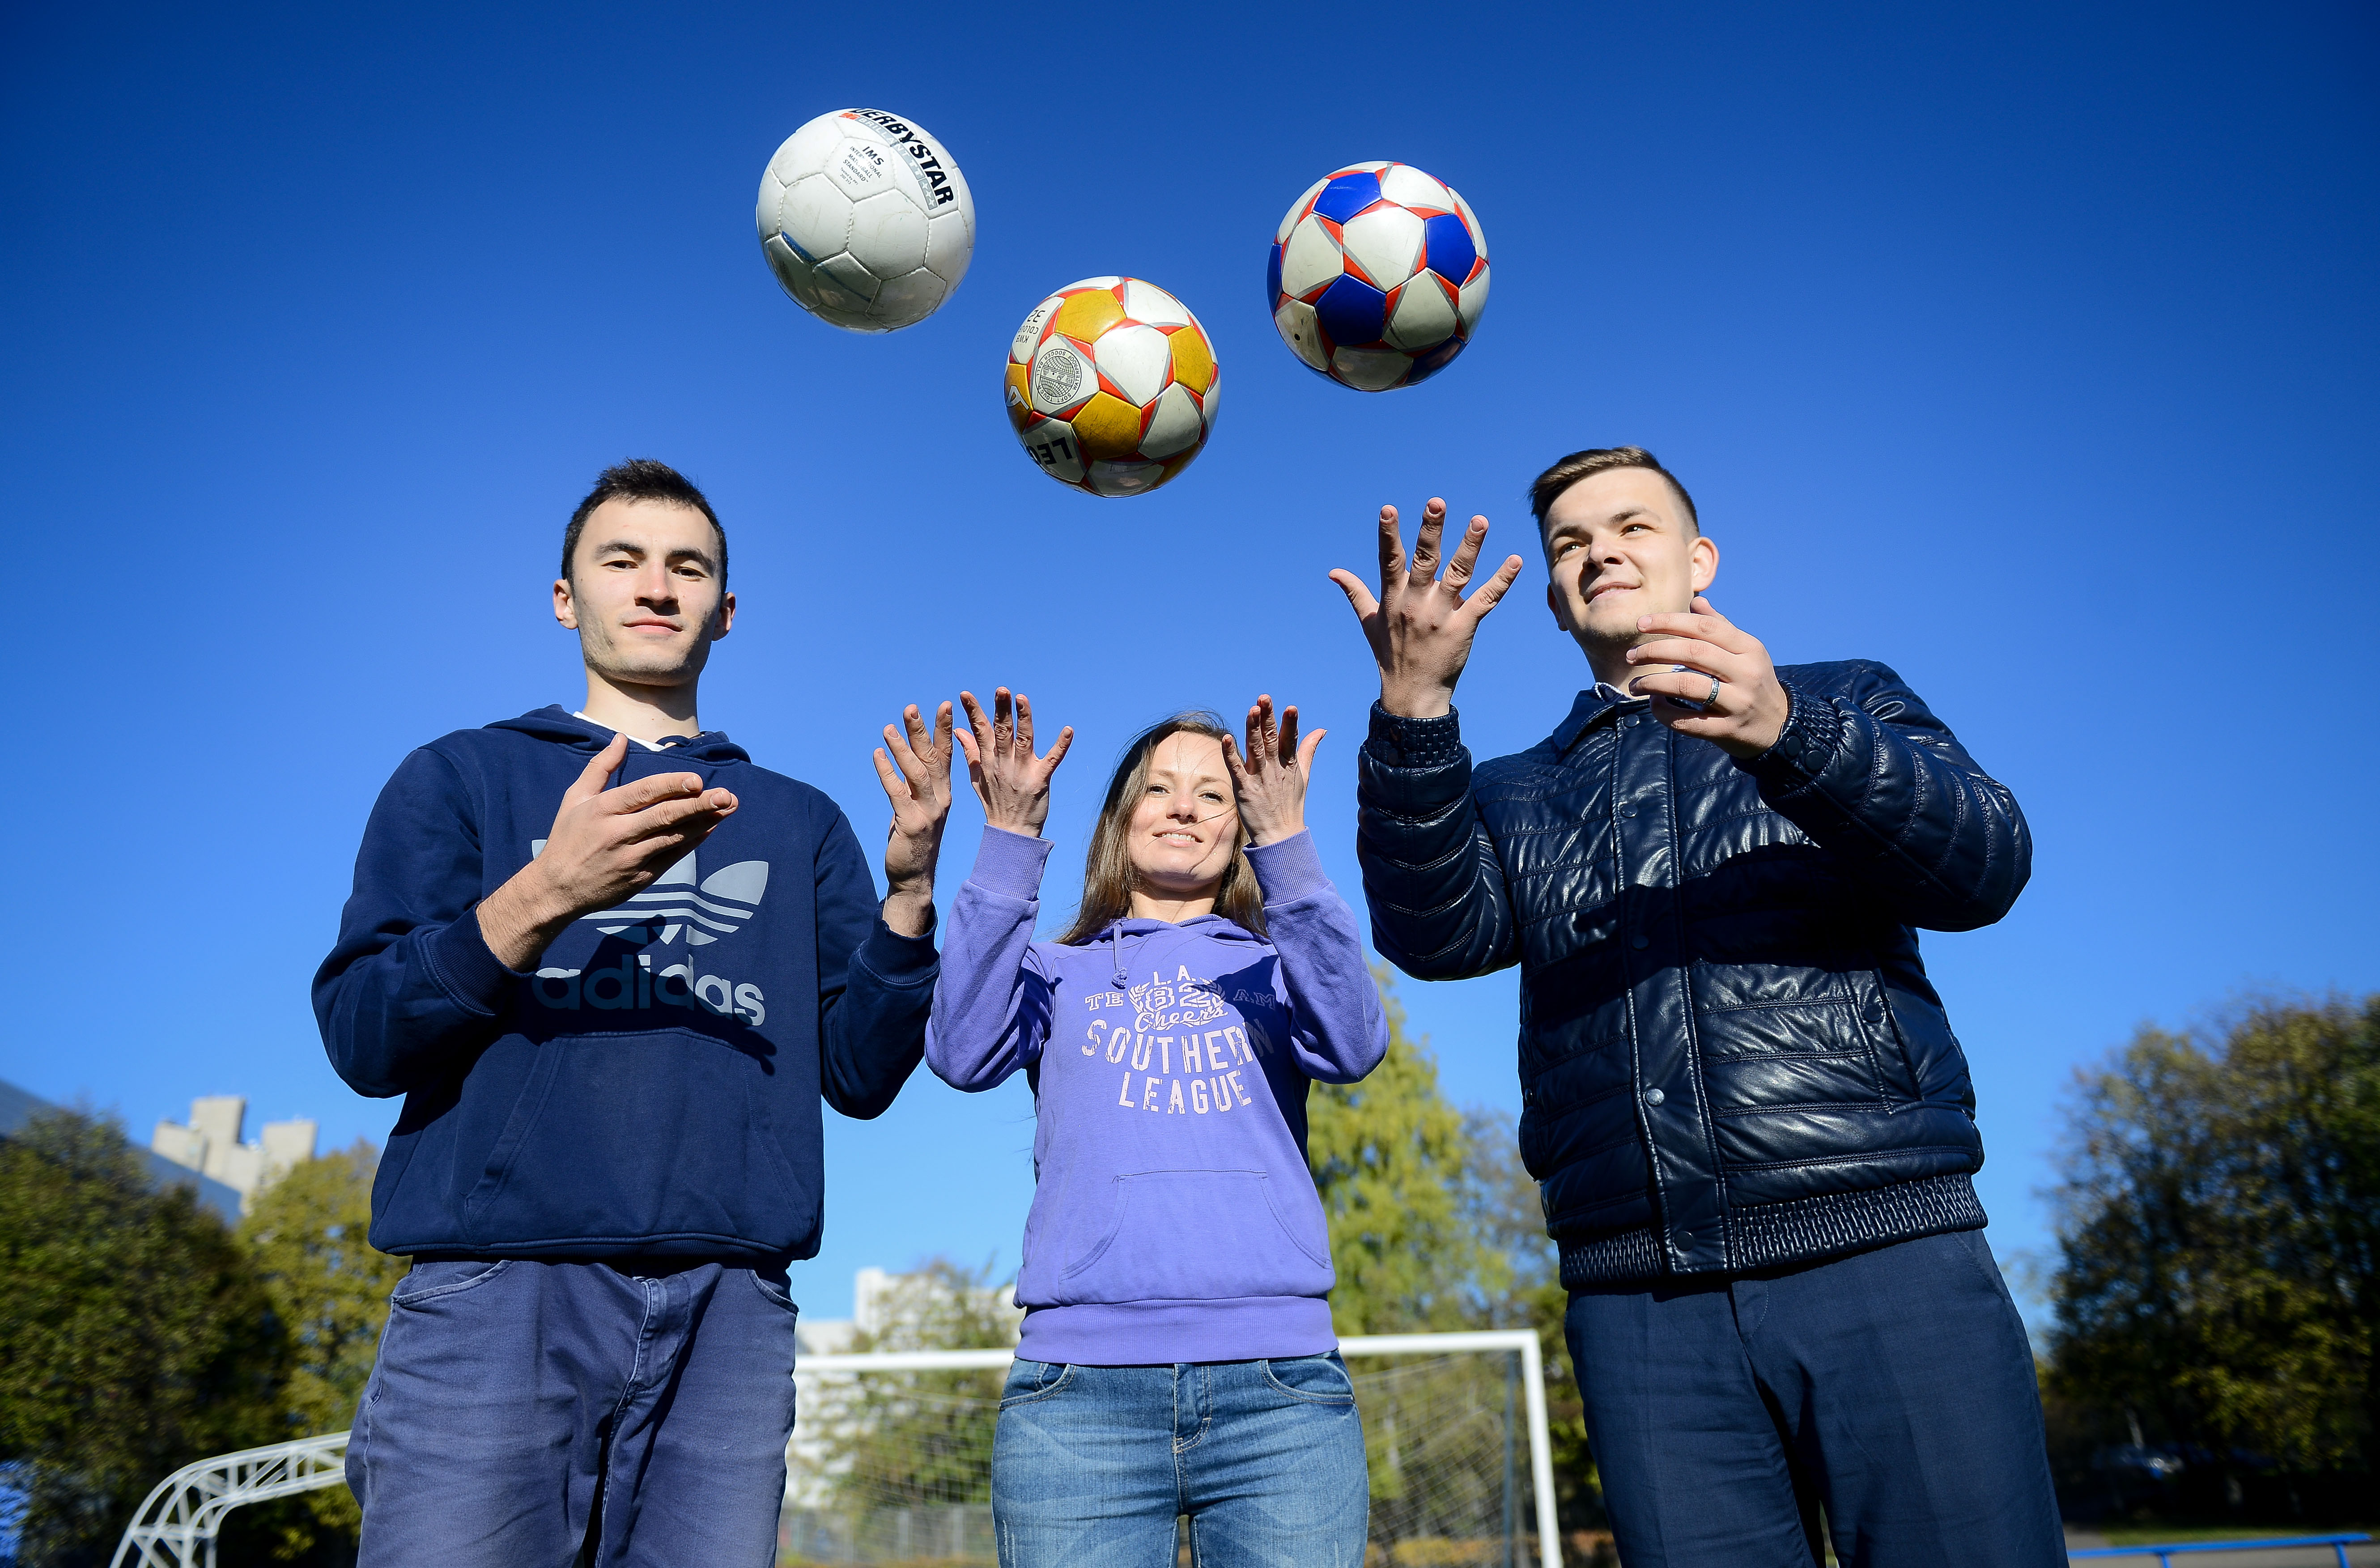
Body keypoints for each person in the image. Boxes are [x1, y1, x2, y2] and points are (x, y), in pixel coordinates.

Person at [1333, 447, 2062, 1566]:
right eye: (1570, 543)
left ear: (1699, 559)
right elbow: (1435, 938)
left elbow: (1984, 867)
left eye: (1630, 526)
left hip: (1886, 1257)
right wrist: (1415, 708)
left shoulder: (1841, 698)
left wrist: (1790, 732)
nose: (1599, 551)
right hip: (1639, 1302)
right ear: (1550, 598)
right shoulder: (1514, 787)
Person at [314, 458, 955, 1567]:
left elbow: (859, 1074)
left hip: (731, 1312)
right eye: (623, 560)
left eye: (686, 567)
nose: (655, 586)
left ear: (725, 611)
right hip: (495, 1295)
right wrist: (543, 893)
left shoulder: (797, 820)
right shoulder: (460, 776)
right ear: (567, 596)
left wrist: (906, 901)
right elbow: (364, 1035)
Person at [915, 688, 1387, 1568]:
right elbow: (959, 1049)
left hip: (1279, 1393)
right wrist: (1009, 842)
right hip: (1077, 1400)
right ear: (1119, 819)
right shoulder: (1054, 973)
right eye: (1160, 787)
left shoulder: (1276, 969)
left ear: (1240, 824)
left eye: (1212, 793)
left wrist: (1287, 841)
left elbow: (1353, 1044)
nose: (1182, 807)